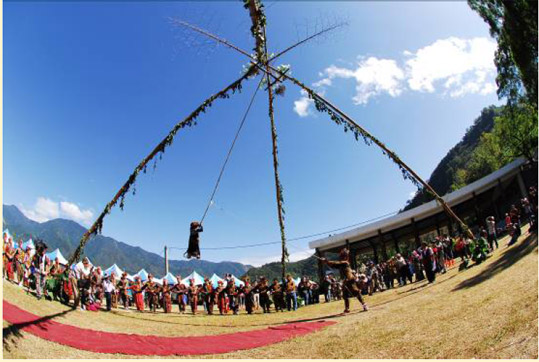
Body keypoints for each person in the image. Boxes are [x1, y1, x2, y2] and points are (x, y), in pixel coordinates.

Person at [320, 248, 368, 313]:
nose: (341, 256)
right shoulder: (341, 264)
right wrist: (327, 262)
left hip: (350, 280)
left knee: (356, 292)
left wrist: (327, 261)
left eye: (342, 255)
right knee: (345, 295)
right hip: (345, 281)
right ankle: (347, 308)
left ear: (345, 256)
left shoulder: (345, 263)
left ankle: (364, 305)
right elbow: (334, 265)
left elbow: (337, 263)